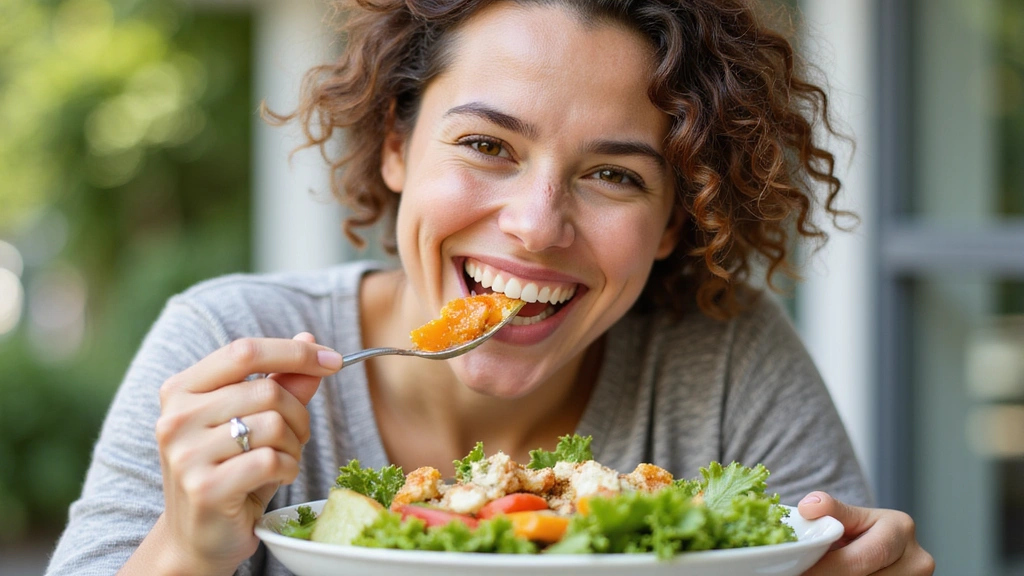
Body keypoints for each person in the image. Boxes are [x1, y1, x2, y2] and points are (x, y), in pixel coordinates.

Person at [45, 0, 934, 575]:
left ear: (674, 220)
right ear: (396, 147)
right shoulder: (228, 341)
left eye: (615, 176)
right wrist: (183, 553)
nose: (537, 224)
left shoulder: (727, 357)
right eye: (487, 146)